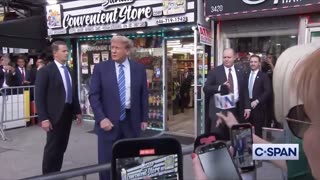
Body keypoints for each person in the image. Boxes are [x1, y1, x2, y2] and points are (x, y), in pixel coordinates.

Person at [192, 44, 320, 180]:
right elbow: (284, 156)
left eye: (306, 121)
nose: (304, 138)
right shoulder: (301, 156)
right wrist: (238, 129)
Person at [89, 35, 149, 180]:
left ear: (127, 51)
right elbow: (93, 96)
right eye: (112, 48)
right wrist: (101, 118)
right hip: (108, 123)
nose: (113, 51)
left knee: (131, 161)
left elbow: (143, 95)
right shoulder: (101, 68)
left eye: (117, 48)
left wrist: (144, 118)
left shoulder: (139, 69)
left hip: (131, 121)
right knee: (106, 164)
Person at [35, 40, 82, 174]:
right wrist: (43, 118)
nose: (67, 53)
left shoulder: (69, 70)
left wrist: (77, 111)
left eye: (67, 51)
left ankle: (56, 172)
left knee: (62, 146)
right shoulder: (46, 71)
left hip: (67, 114)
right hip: (53, 115)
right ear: (55, 53)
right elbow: (39, 97)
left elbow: (72, 93)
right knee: (52, 147)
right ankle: (47, 175)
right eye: (64, 51)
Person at [203, 48, 251, 140]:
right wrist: (220, 87)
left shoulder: (240, 71)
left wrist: (247, 107)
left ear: (234, 58)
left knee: (235, 136)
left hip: (236, 108)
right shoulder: (215, 71)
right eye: (224, 57)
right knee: (219, 137)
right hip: (220, 110)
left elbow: (244, 90)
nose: (226, 59)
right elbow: (206, 88)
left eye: (229, 57)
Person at [246, 55, 272, 137]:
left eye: (255, 62)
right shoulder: (245, 75)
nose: (253, 64)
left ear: (259, 63)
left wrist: (257, 101)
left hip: (259, 107)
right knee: (246, 130)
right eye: (251, 62)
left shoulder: (264, 76)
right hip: (247, 106)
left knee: (258, 130)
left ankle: (257, 147)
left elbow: (268, 91)